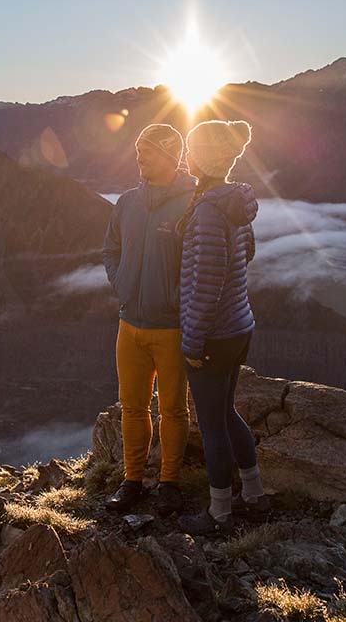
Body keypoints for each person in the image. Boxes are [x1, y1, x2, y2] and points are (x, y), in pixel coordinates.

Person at [174, 119, 268, 535]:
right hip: (239, 326)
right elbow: (246, 252)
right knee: (227, 413)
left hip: (213, 334)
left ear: (203, 158)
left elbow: (206, 283)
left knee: (211, 425)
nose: (185, 157)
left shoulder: (210, 212)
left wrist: (192, 339)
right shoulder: (234, 203)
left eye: (190, 150)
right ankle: (254, 495)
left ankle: (219, 513)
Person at [101, 123, 196, 516]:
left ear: (171, 156)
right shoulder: (126, 203)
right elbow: (111, 248)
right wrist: (121, 284)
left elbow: (201, 263)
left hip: (171, 328)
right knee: (132, 406)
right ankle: (133, 480)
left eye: (148, 151)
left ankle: (170, 482)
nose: (140, 157)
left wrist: (177, 302)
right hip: (129, 325)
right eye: (138, 150)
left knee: (173, 409)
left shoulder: (192, 203)